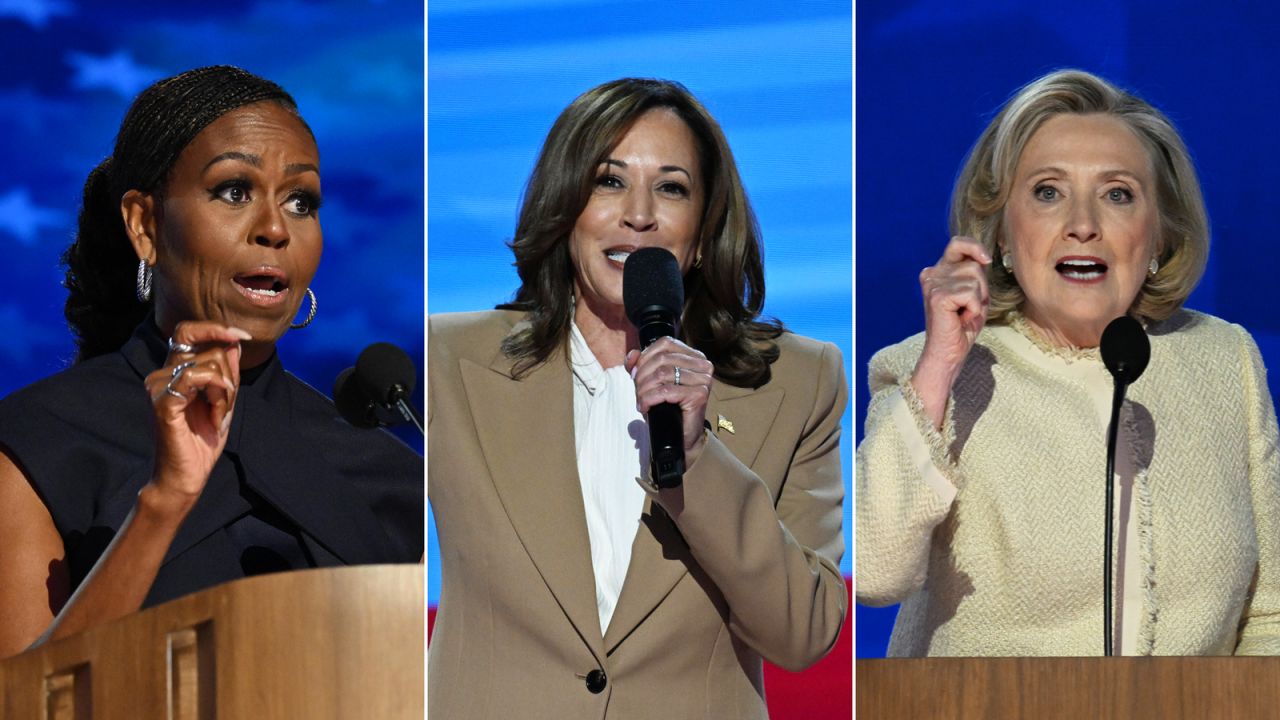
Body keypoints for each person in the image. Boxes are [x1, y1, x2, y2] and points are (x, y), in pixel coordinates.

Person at [428, 78, 847, 718]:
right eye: (609, 181)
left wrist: (700, 456)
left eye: (672, 187)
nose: (640, 213)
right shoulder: (446, 361)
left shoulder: (796, 380)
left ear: (704, 232)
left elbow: (802, 634)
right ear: (566, 208)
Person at [0, 66, 422, 659]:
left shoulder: (387, 474)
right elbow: (22, 702)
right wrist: (163, 503)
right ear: (145, 226)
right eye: (234, 191)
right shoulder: (36, 444)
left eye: (301, 201)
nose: (275, 228)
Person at [856, 69, 1280, 656]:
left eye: (1117, 194)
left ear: (1158, 237)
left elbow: (1270, 618)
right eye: (1048, 192)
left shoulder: (1223, 361)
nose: (1083, 224)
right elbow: (875, 575)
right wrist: (939, 367)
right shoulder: (935, 367)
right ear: (1002, 233)